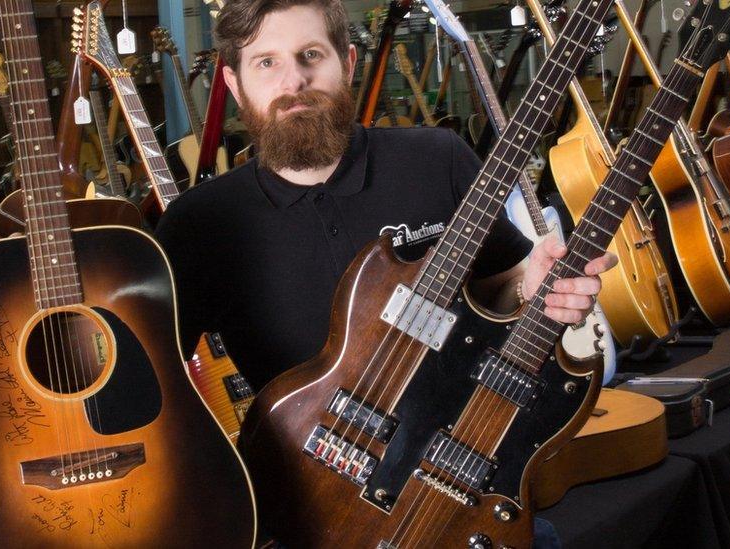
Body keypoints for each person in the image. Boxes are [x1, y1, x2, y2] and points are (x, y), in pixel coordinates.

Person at [155, 2, 616, 544]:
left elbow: (507, 282)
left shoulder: (436, 158)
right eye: (266, 63)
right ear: (234, 84)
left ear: (347, 62)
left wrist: (534, 285)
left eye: (311, 55)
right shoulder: (200, 223)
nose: (294, 81)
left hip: (459, 481)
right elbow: (157, 393)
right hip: (310, 510)